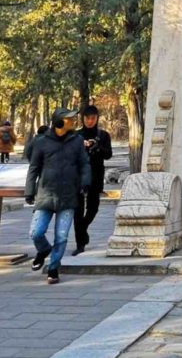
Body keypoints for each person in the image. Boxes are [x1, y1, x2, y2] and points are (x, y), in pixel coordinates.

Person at [25, 108, 89, 284]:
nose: (74, 121)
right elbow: (34, 168)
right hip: (46, 194)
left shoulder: (77, 141)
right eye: (70, 119)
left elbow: (84, 164)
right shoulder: (42, 142)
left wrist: (85, 182)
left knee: (61, 236)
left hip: (68, 195)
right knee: (36, 232)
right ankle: (43, 250)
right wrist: (29, 191)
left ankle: (53, 268)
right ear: (60, 122)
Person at [72, 104, 112, 256]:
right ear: (82, 118)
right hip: (78, 176)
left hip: (96, 175)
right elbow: (70, 155)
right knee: (78, 210)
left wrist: (97, 147)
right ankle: (80, 243)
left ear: (97, 118)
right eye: (87, 118)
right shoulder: (75, 136)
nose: (90, 121)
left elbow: (108, 155)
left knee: (93, 208)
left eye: (93, 118)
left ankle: (82, 229)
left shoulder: (103, 135)